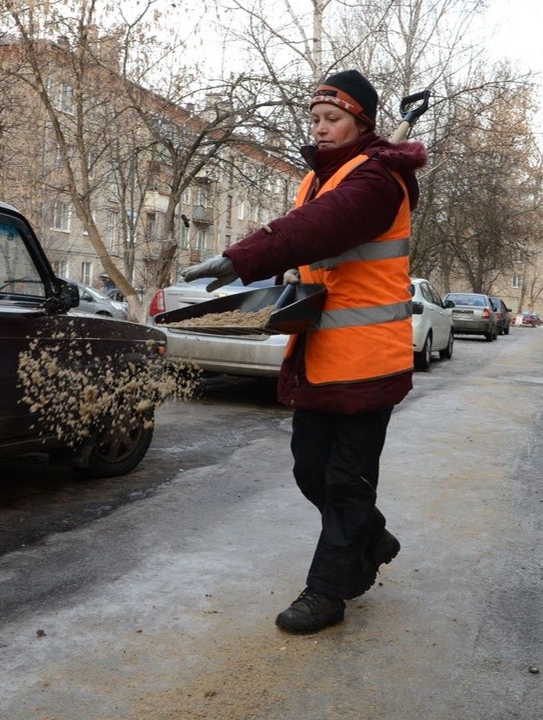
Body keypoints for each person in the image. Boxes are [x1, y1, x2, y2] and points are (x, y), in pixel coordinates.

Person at [181, 69, 428, 634]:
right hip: (320, 355)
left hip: (368, 359)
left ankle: (329, 590)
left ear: (360, 122)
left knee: (346, 483)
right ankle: (373, 537)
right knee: (309, 470)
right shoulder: (323, 177)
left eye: (332, 119)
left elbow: (320, 227)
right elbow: (311, 239)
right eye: (314, 119)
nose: (319, 128)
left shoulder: (378, 179)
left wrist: (243, 256)